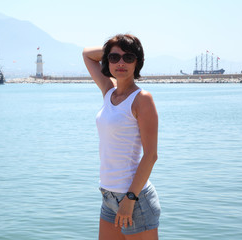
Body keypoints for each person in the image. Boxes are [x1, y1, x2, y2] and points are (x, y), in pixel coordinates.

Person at [83, 34, 161, 240]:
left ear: (138, 62)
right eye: (114, 58)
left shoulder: (141, 99)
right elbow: (87, 54)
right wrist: (111, 51)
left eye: (128, 58)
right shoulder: (109, 92)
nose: (120, 63)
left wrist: (130, 198)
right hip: (108, 195)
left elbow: (151, 155)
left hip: (134, 198)